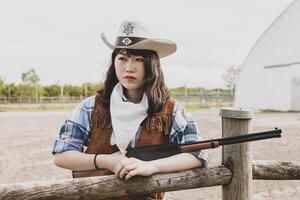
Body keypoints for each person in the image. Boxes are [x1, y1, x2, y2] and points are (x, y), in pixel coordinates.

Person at [52, 20, 208, 200]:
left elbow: (197, 154)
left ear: (152, 64)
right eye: (123, 58)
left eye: (138, 59)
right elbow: (62, 155)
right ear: (114, 62)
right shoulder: (90, 107)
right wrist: (105, 161)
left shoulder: (171, 110)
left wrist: (152, 166)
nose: (129, 67)